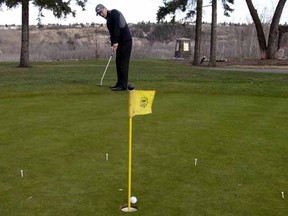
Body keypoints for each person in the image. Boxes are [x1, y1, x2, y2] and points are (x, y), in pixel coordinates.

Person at [95, 4, 133, 91]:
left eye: (101, 12)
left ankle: (123, 85)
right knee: (118, 62)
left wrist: (115, 42)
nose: (101, 14)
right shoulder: (108, 22)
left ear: (105, 8)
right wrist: (113, 44)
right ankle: (119, 83)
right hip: (119, 43)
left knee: (123, 63)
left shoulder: (114, 13)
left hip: (126, 41)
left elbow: (116, 28)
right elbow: (112, 34)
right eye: (99, 13)